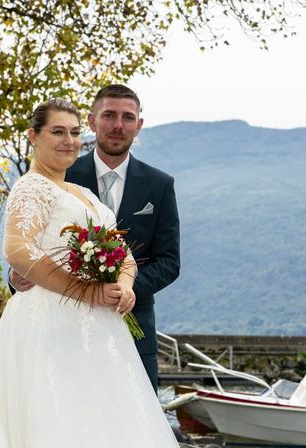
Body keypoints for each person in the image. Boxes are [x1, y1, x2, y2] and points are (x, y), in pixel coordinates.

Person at [0, 98, 179, 447]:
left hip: (104, 327)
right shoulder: (32, 186)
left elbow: (125, 255)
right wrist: (86, 292)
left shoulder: (82, 192)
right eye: (57, 131)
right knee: (56, 417)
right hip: (50, 325)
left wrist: (125, 284)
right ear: (34, 135)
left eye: (74, 133)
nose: (69, 140)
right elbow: (18, 250)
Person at [11, 84, 181, 390]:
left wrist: (118, 289)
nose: (118, 125)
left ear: (138, 125)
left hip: (135, 326)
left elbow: (169, 261)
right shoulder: (59, 172)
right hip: (64, 329)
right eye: (109, 115)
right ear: (92, 121)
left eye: (128, 117)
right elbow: (27, 241)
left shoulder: (160, 185)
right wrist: (18, 275)